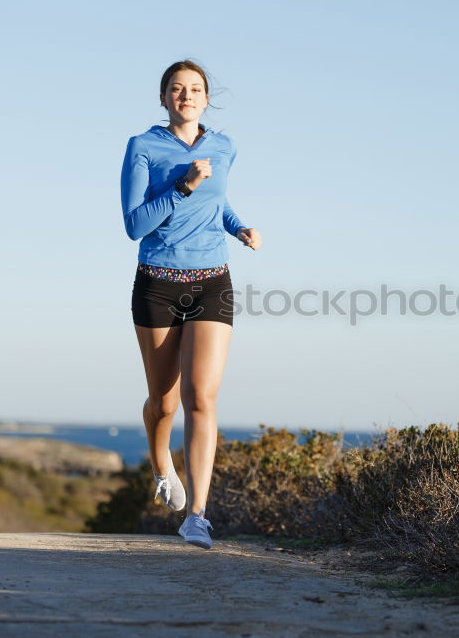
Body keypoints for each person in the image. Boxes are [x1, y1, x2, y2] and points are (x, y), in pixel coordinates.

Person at [120, 59, 263, 549]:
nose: (187, 95)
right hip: (157, 283)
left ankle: (198, 516)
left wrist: (239, 227)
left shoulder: (224, 146)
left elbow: (217, 202)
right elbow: (134, 225)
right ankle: (162, 465)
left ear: (206, 98)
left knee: (200, 396)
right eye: (177, 89)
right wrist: (181, 187)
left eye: (195, 89)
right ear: (163, 98)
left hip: (212, 281)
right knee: (163, 401)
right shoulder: (142, 148)